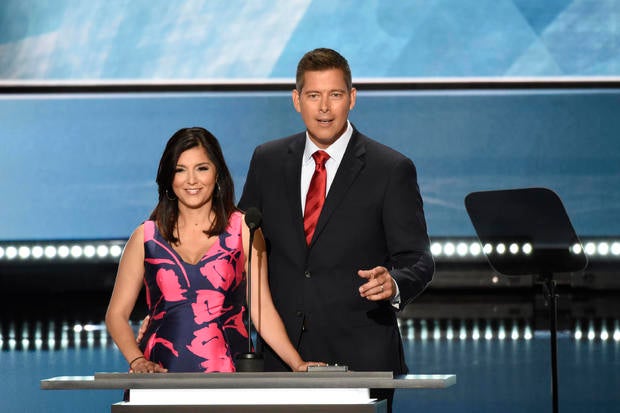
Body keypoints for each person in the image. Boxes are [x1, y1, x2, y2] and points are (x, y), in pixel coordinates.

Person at [238, 48, 435, 410]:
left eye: (335, 94)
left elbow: (418, 260)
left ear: (352, 98)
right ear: (297, 100)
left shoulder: (389, 169)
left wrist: (392, 282)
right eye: (314, 95)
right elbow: (241, 249)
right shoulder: (267, 160)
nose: (324, 107)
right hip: (280, 360)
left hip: (360, 360)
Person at [105, 127, 320, 373]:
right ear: (168, 177)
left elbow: (262, 311)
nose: (192, 180)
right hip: (159, 374)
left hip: (228, 376)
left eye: (202, 168)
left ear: (217, 172)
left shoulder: (244, 230)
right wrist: (137, 360)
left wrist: (297, 363)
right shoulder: (146, 237)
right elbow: (116, 314)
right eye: (180, 170)